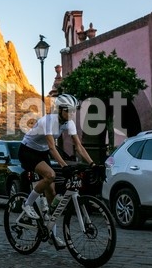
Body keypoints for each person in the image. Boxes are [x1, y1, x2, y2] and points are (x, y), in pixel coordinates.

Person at [18, 94, 96, 248]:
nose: (72, 113)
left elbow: (78, 146)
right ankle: (27, 204)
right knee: (50, 175)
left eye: (73, 110)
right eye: (69, 110)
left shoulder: (69, 123)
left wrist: (92, 164)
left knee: (51, 194)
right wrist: (64, 166)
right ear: (59, 110)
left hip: (42, 153)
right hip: (27, 151)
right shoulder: (48, 121)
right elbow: (52, 147)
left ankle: (52, 235)